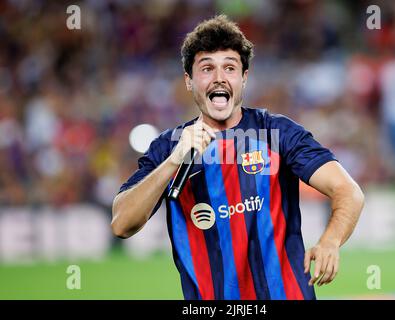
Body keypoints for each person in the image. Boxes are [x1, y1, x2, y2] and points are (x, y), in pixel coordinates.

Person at [112, 15, 364, 300]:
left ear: (244, 78)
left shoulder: (277, 132)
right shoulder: (168, 147)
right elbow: (122, 224)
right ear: (189, 81)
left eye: (229, 68)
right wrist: (173, 161)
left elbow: (349, 191)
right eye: (207, 68)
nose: (219, 78)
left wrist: (330, 241)